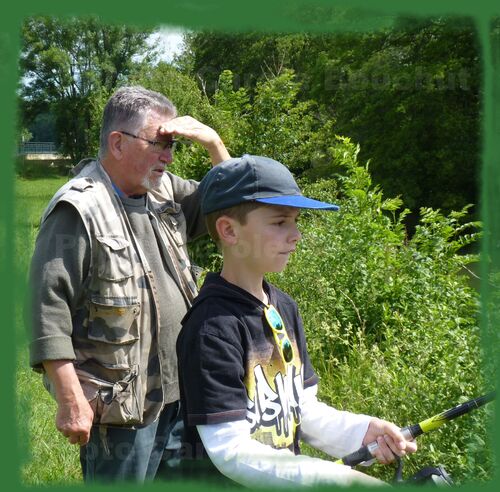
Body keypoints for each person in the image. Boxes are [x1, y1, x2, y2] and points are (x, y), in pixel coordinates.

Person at [28, 85, 230, 483]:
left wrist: (215, 146)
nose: (168, 157)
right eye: (159, 143)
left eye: (173, 146)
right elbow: (46, 307)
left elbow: (234, 206)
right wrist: (70, 397)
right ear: (117, 143)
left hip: (180, 397)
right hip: (121, 411)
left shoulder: (166, 191)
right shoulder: (80, 208)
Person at [176, 154, 418, 487]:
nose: (296, 235)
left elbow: (301, 407)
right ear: (229, 230)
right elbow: (230, 452)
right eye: (279, 222)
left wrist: (363, 432)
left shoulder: (283, 307)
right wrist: (341, 481)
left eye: (296, 221)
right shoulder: (212, 327)